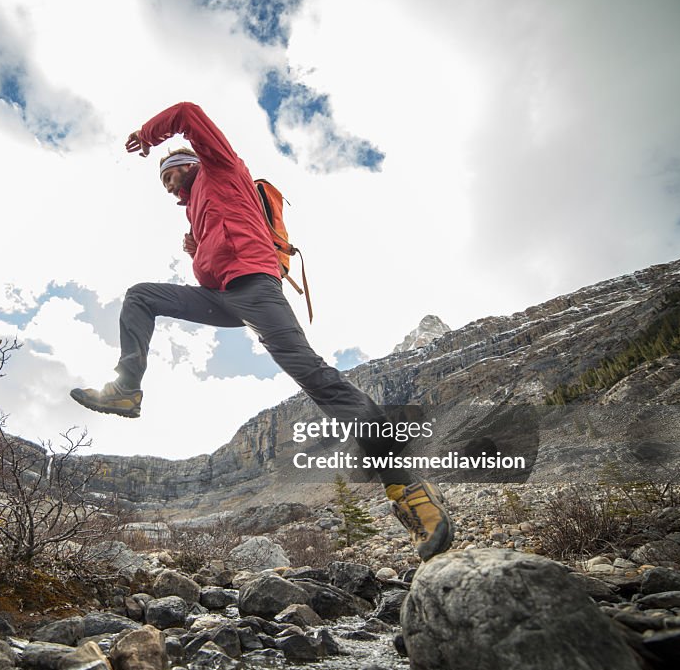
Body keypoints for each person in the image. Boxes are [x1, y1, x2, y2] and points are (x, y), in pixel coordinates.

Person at [70, 101, 453, 561]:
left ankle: (410, 494)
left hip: (257, 289)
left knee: (314, 377)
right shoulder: (196, 211)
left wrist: (149, 135)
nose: (167, 185)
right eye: (164, 181)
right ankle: (126, 389)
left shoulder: (222, 169)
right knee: (141, 296)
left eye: (170, 174)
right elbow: (212, 274)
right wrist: (196, 253)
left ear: (189, 163)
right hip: (226, 297)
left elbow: (190, 113)